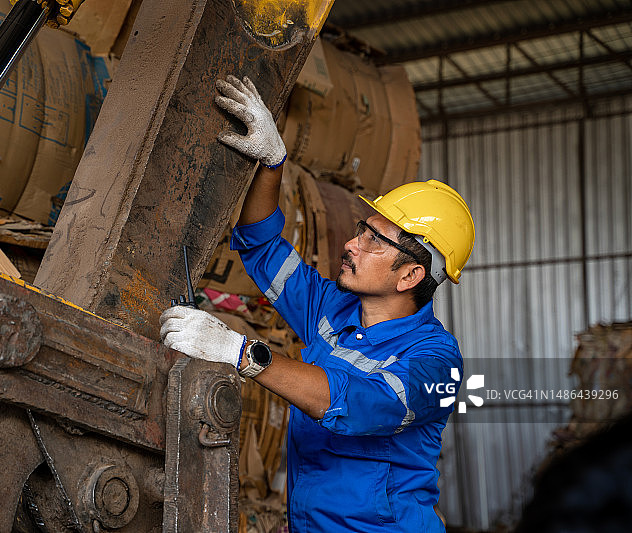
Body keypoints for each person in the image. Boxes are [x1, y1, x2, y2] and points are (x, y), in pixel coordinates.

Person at [160, 75, 475, 532]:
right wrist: (272, 162)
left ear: (411, 275)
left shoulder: (436, 362)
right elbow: (261, 248)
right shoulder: (332, 310)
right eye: (360, 230)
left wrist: (241, 353)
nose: (351, 244)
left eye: (373, 242)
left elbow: (360, 403)